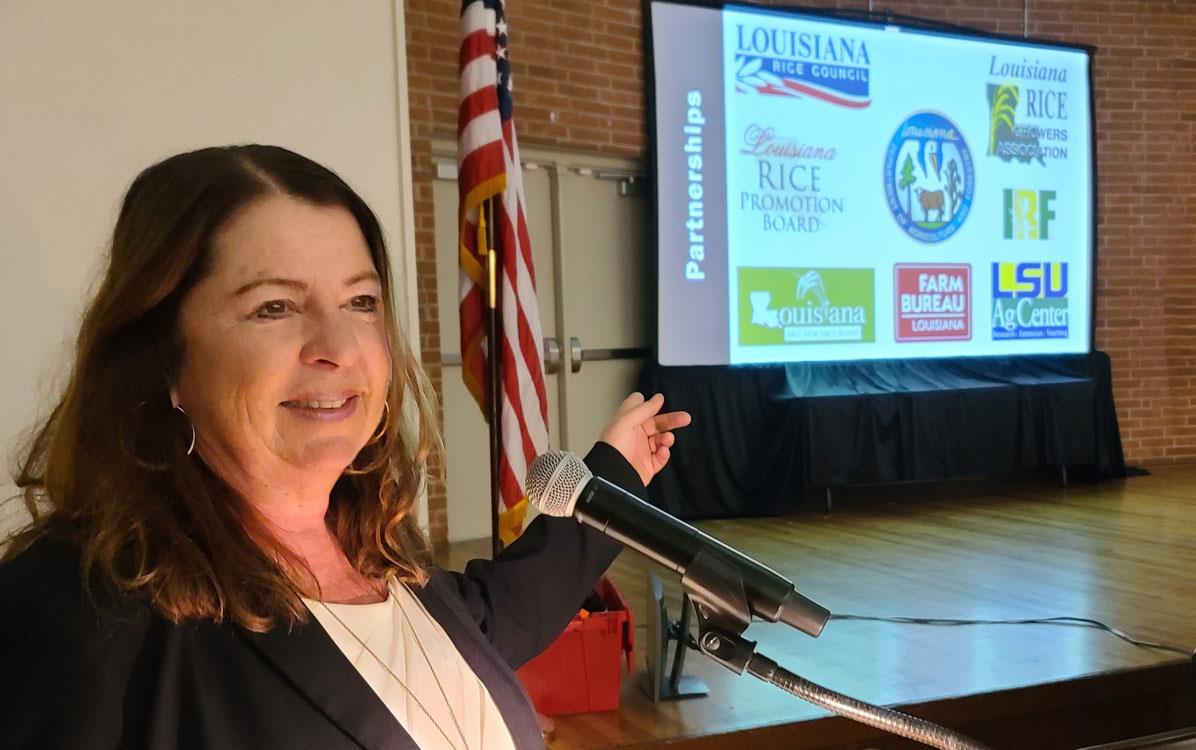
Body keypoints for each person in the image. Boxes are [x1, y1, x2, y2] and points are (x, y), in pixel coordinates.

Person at [0, 145, 690, 749]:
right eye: (275, 307)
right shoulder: (77, 601)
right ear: (162, 360)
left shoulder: (378, 550)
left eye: (360, 303)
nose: (337, 347)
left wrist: (614, 475)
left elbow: (488, 622)